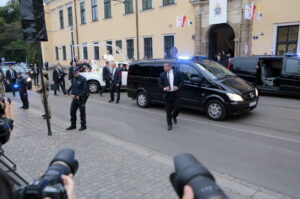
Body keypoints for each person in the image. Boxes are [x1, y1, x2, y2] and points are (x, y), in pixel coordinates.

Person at [159, 63, 183, 131]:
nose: (164, 68)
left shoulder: (177, 73)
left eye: (165, 67)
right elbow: (159, 84)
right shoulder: (162, 74)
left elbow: (182, 82)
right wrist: (164, 88)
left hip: (176, 94)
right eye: (164, 67)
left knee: (178, 108)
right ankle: (169, 124)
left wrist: (178, 87)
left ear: (169, 66)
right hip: (167, 95)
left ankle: (174, 116)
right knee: (168, 111)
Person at [66, 67, 88, 131]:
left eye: (76, 73)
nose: (75, 74)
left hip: (81, 99)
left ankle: (83, 126)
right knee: (72, 111)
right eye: (74, 73)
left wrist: (79, 96)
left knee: (82, 113)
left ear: (78, 72)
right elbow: (72, 86)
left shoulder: (83, 79)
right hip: (74, 98)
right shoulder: (73, 79)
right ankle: (73, 125)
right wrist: (68, 91)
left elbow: (85, 89)